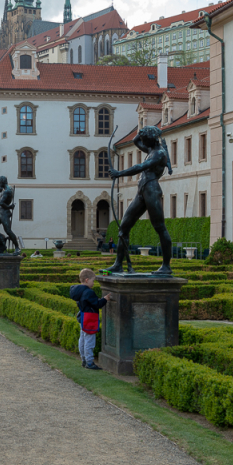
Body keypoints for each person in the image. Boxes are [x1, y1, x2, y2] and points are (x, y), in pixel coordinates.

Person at [106, 125, 174, 275]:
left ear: (150, 140)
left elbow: (140, 167)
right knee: (123, 227)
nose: (142, 142)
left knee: (160, 228)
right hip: (142, 190)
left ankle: (166, 266)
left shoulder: (159, 154)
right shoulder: (151, 150)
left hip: (151, 190)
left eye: (145, 139)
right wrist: (143, 129)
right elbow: (136, 140)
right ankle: (118, 264)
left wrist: (119, 173)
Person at [70, 269, 111, 370]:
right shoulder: (89, 292)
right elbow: (97, 304)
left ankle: (84, 359)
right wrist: (105, 299)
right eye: (93, 280)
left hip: (82, 317)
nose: (93, 283)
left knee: (83, 339)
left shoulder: (77, 290)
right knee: (89, 341)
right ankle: (89, 362)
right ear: (87, 280)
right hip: (90, 319)